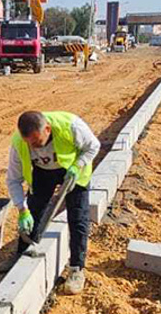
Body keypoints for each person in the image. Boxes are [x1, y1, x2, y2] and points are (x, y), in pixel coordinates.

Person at [6, 110, 100, 295]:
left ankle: (76, 269)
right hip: (43, 172)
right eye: (29, 144)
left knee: (78, 217)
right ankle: (21, 255)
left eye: (36, 142)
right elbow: (13, 180)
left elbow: (93, 146)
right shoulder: (19, 143)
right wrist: (22, 210)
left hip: (73, 170)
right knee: (34, 210)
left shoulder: (71, 125)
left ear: (47, 129)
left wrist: (78, 165)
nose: (33, 147)